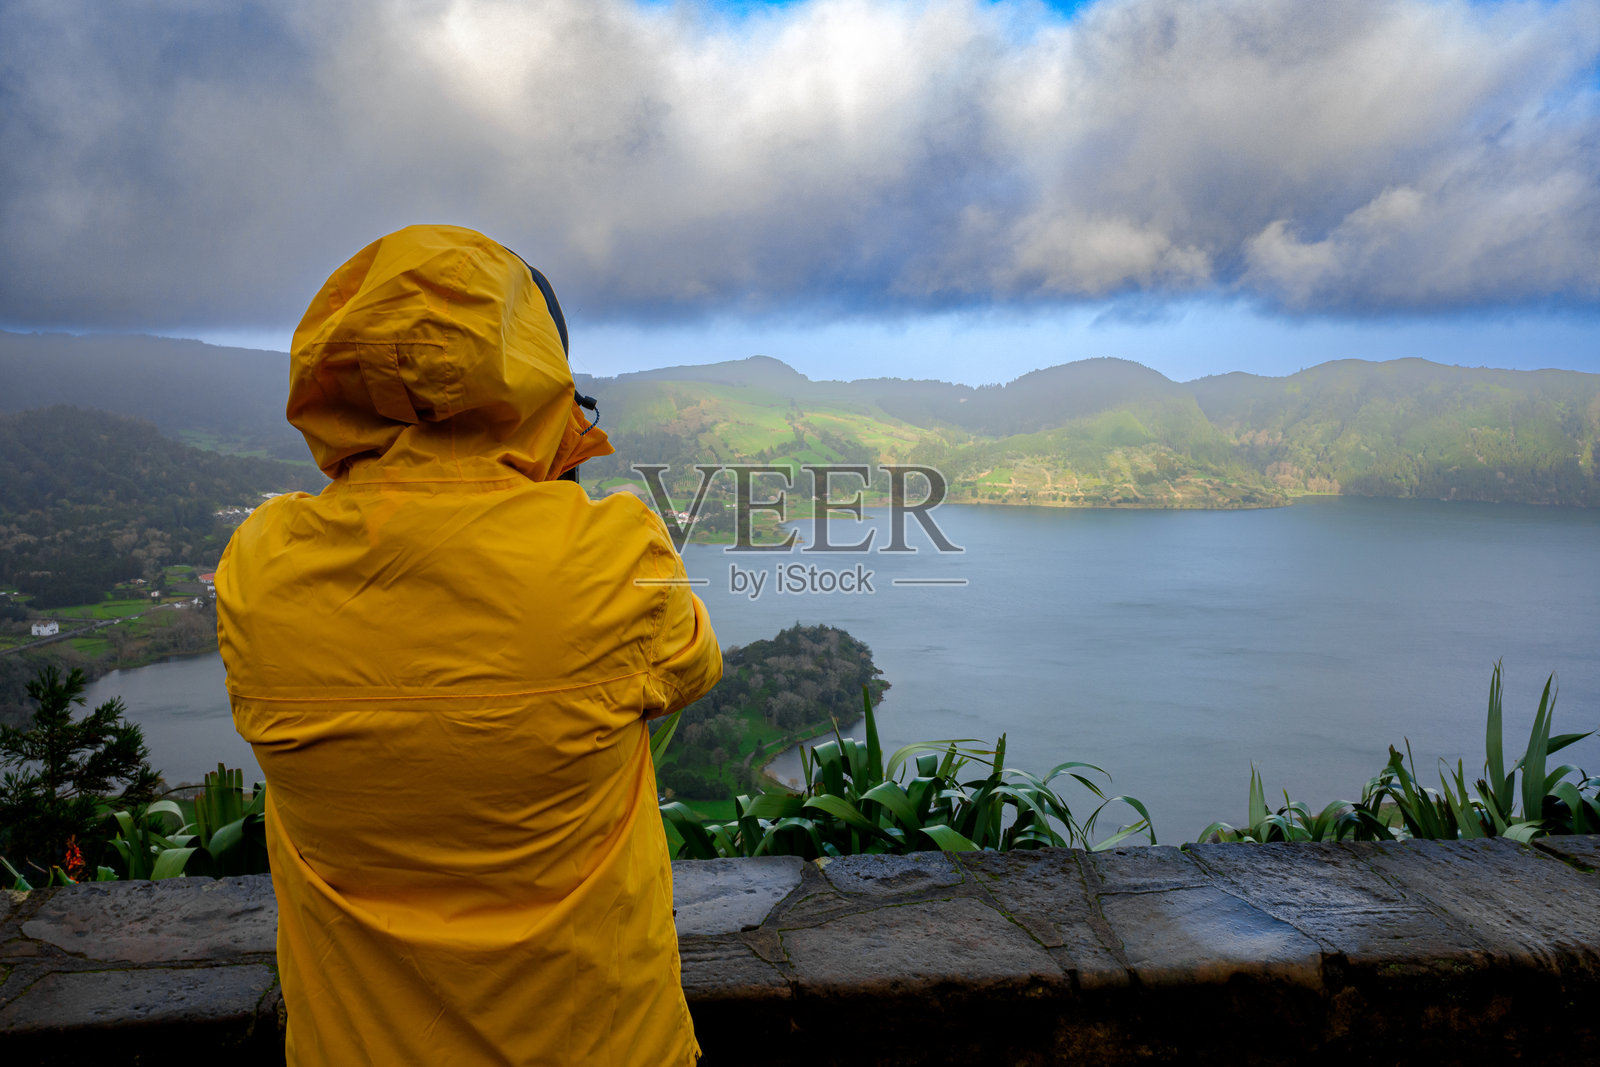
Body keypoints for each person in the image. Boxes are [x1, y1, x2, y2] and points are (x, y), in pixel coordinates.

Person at [216, 224, 721, 1066]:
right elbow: (693, 666)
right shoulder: (617, 555)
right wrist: (557, 478)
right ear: (542, 382)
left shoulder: (260, 566)